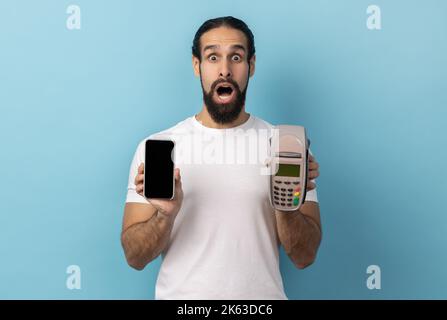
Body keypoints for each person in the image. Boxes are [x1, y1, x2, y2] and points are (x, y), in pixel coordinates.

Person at [121, 16, 322, 300]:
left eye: (236, 57)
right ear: (197, 66)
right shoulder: (160, 148)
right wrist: (164, 216)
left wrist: (285, 206)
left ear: (251, 66)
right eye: (213, 57)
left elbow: (305, 256)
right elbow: (135, 257)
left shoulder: (287, 147)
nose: (224, 70)